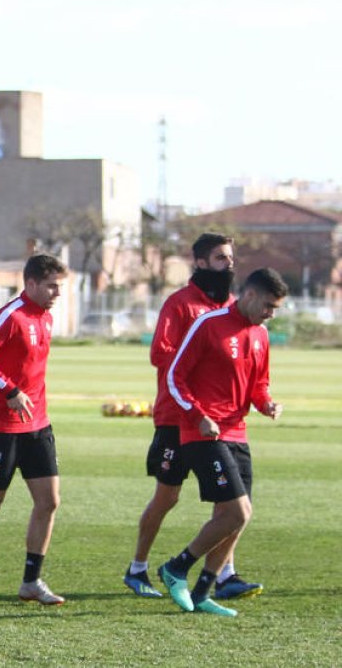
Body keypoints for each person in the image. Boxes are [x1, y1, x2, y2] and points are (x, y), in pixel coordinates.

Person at [124, 233, 261, 600]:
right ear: (199, 262)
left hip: (217, 421)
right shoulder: (181, 304)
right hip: (176, 415)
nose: (228, 264)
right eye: (220, 258)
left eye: (230, 257)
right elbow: (161, 353)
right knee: (167, 497)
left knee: (229, 499)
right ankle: (137, 568)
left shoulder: (233, 306)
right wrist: (198, 366)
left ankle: (226, 574)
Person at [157, 268, 287, 617]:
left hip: (237, 432)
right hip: (201, 433)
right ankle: (176, 568)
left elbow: (259, 384)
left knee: (235, 517)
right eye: (269, 305)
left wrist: (267, 403)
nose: (271, 314)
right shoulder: (209, 324)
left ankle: (202, 592)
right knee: (238, 511)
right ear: (249, 296)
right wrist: (198, 415)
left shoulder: (260, 334)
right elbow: (175, 376)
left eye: (276, 309)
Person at [0, 253, 68, 607]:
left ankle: (31, 581)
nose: (56, 293)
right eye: (51, 286)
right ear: (30, 283)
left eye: (59, 287)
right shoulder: (11, 315)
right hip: (1, 429)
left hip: (38, 426)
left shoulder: (46, 318)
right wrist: (10, 390)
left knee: (49, 502)